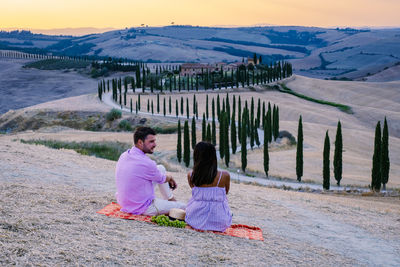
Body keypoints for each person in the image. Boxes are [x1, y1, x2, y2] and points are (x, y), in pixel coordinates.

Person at [115, 126, 185, 215]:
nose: (155, 144)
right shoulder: (147, 163)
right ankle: (172, 203)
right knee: (183, 207)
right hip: (142, 207)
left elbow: (160, 176)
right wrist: (170, 176)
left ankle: (170, 199)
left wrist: (167, 177)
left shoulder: (125, 155)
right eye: (151, 141)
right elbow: (162, 179)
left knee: (160, 168)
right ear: (140, 142)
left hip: (124, 202)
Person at [185, 142, 232, 232]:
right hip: (220, 221)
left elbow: (194, 190)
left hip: (194, 218)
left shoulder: (191, 175)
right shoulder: (224, 175)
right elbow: (225, 193)